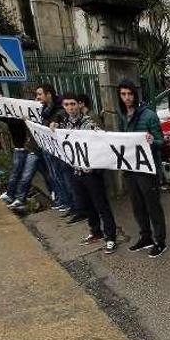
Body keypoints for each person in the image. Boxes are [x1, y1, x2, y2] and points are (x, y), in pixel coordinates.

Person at [54, 92, 118, 253]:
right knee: (87, 205)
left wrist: (95, 164)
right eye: (67, 105)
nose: (70, 108)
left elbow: (101, 143)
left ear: (79, 105)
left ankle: (110, 237)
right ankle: (96, 231)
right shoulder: (64, 124)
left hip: (92, 173)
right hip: (76, 172)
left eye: (73, 104)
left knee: (101, 205)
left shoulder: (89, 123)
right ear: (63, 106)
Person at [116, 80, 168, 258]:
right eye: (123, 94)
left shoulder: (149, 115)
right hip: (130, 167)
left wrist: (152, 141)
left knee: (153, 206)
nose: (127, 98)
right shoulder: (121, 114)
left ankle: (160, 241)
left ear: (135, 94)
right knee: (137, 206)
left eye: (129, 94)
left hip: (147, 169)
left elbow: (161, 141)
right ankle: (145, 237)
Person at [35, 84, 72, 213]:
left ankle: (69, 202)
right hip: (47, 148)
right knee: (53, 175)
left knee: (62, 175)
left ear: (49, 94)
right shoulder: (43, 109)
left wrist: (54, 122)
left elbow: (61, 116)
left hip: (57, 149)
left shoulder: (59, 108)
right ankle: (62, 200)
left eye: (40, 94)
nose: (37, 97)